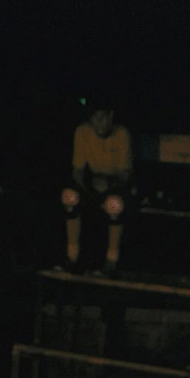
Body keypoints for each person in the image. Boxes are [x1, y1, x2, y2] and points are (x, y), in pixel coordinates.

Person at [63, 99, 133, 274]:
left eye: (102, 118)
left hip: (115, 186)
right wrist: (86, 186)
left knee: (114, 204)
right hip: (91, 185)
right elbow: (77, 169)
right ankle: (72, 256)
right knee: (69, 196)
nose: (98, 123)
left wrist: (109, 184)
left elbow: (125, 174)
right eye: (94, 119)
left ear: (110, 116)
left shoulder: (121, 134)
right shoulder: (82, 132)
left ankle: (112, 259)